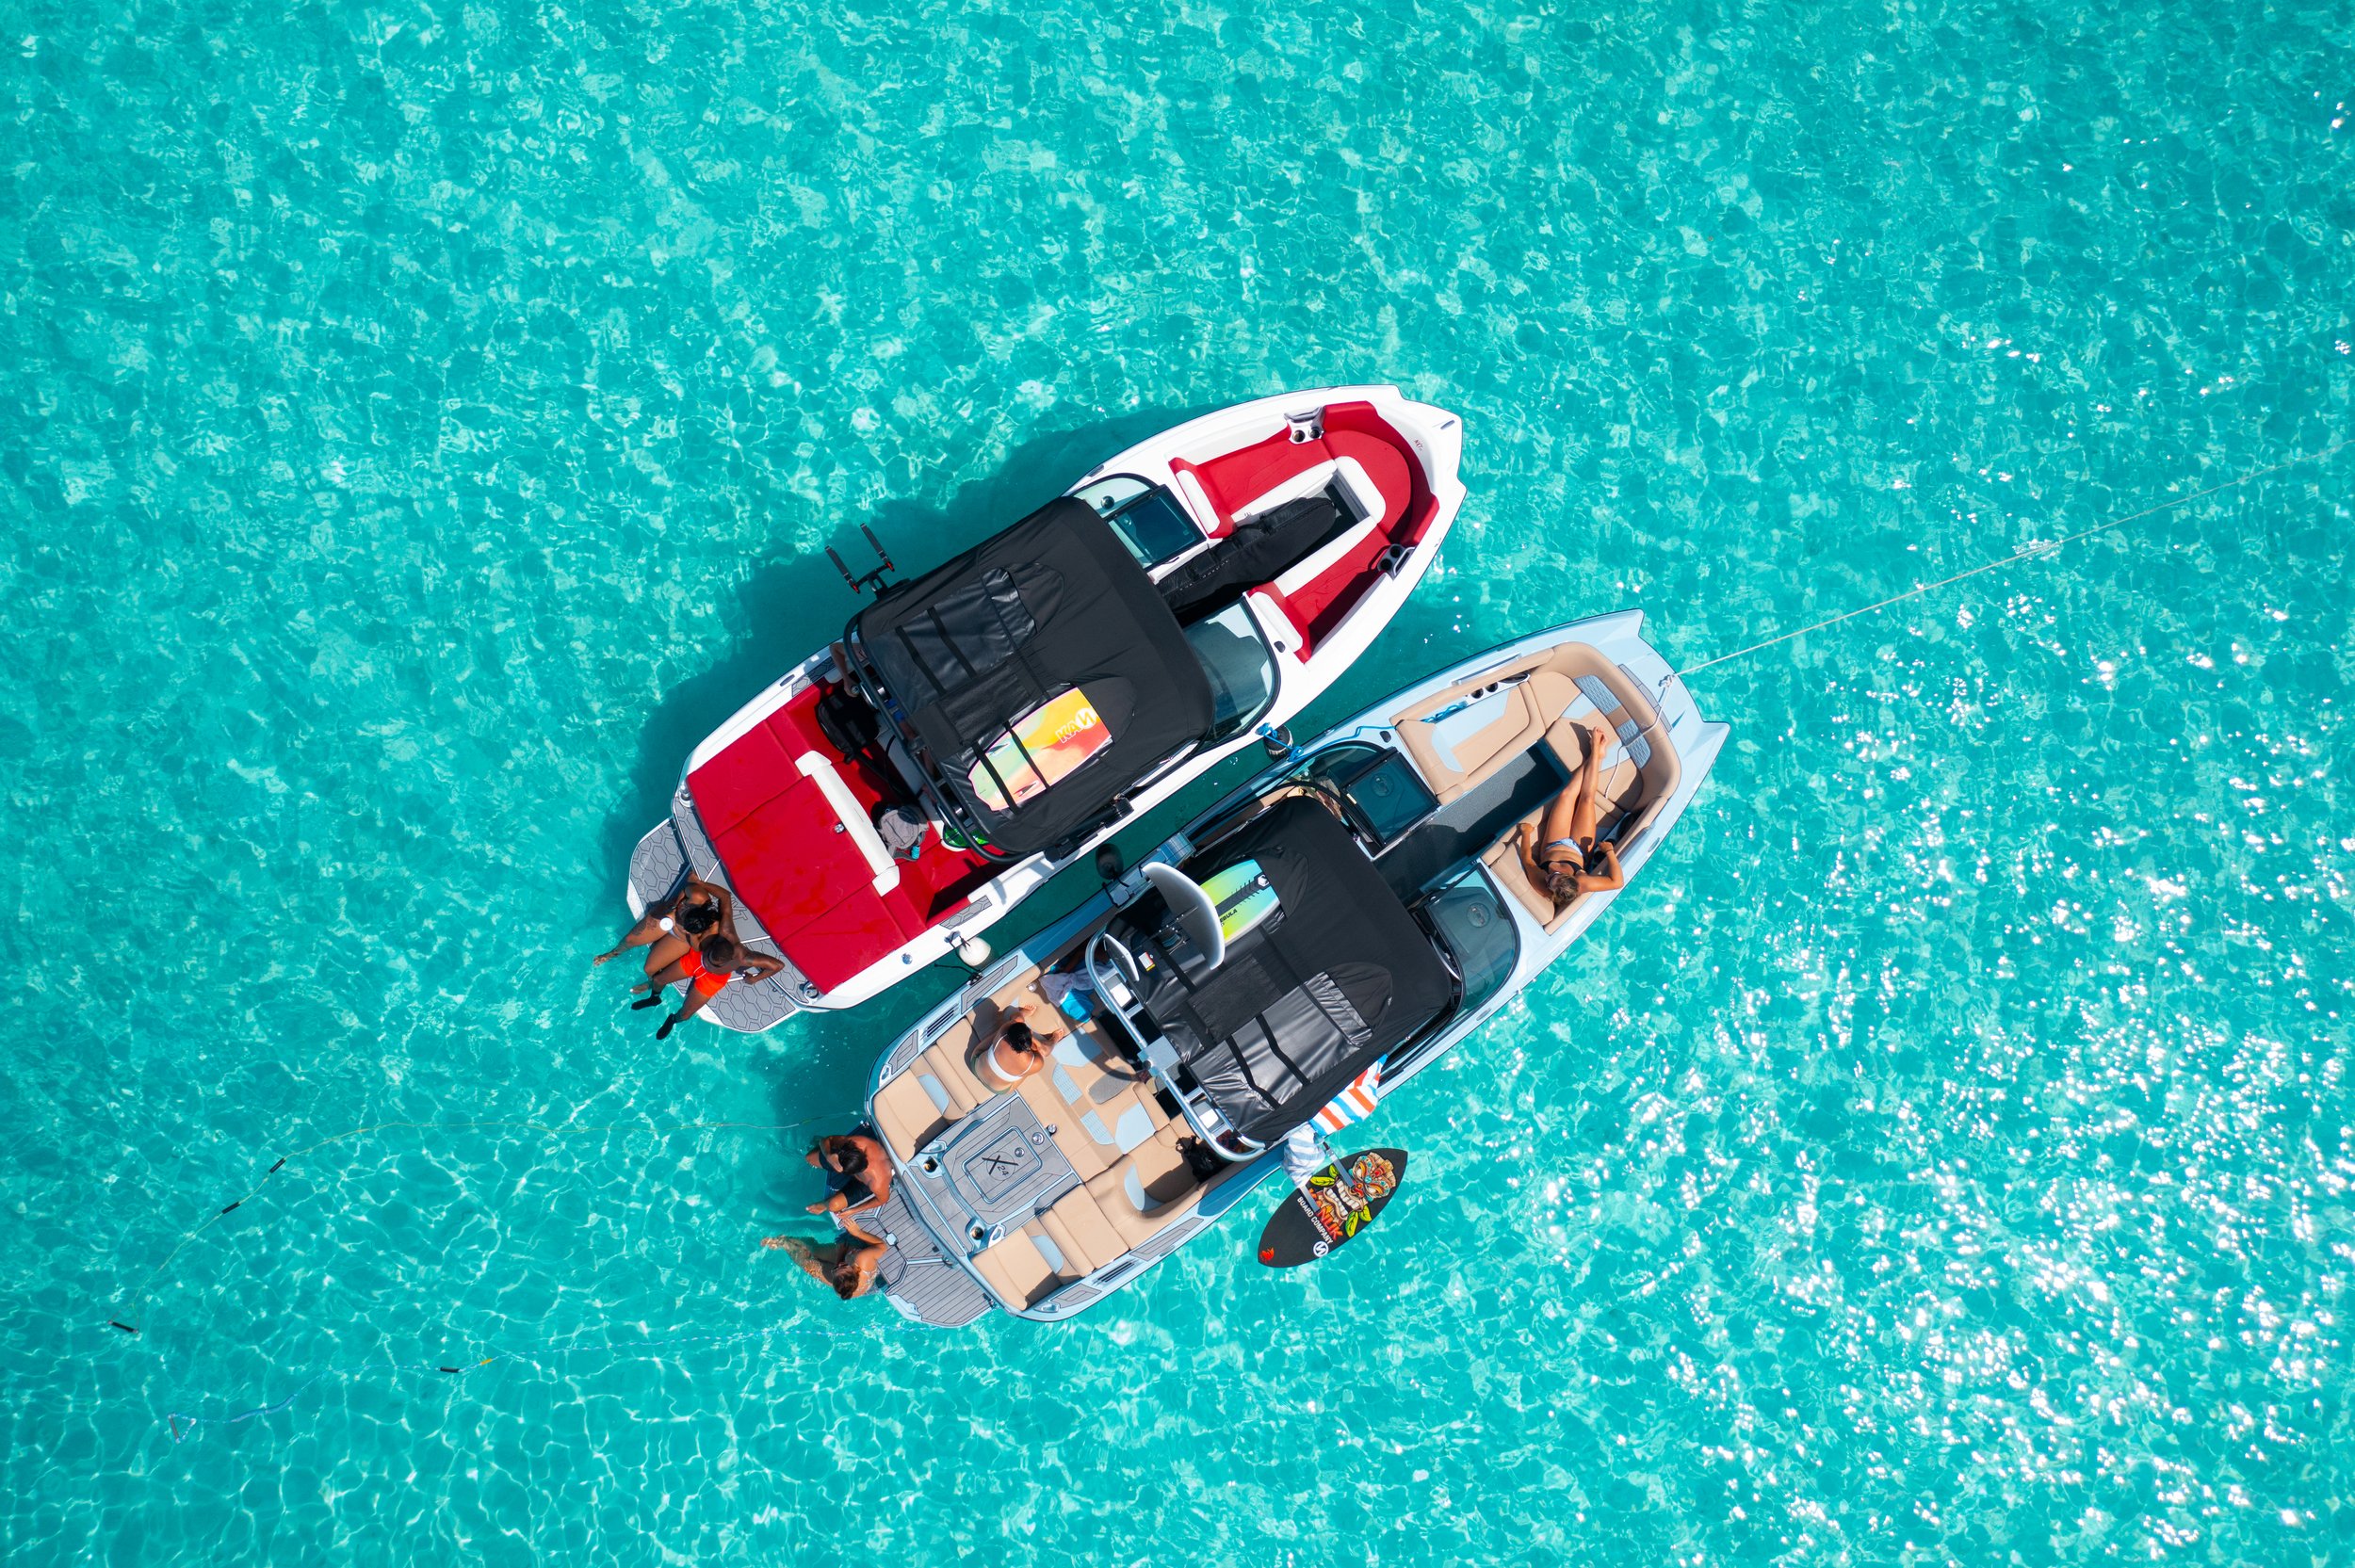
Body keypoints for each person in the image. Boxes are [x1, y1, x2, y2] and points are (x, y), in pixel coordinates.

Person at [1517, 722, 1629, 910]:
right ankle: (1596, 754)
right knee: (1586, 799)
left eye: (1551, 878)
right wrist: (1609, 851)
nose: (1550, 874)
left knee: (1567, 795)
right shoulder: (1583, 883)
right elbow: (1616, 882)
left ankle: (1596, 756)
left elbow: (1528, 861)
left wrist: (1526, 833)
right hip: (1579, 850)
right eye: (1555, 876)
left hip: (1554, 843)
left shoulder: (1542, 885)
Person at [630, 932, 784, 1038]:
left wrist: (755, 979)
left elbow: (777, 965)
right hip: (696, 960)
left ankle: (671, 1019)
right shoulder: (725, 932)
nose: (709, 964)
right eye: (710, 959)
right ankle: (654, 998)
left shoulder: (744, 958)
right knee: (658, 980)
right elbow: (725, 898)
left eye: (714, 963)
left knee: (685, 1014)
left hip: (712, 980)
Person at [594, 874, 738, 978]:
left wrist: (691, 935)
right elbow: (686, 889)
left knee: (649, 969)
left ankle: (652, 985)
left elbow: (697, 947)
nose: (683, 910)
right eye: (684, 909)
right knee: (631, 939)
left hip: (681, 938)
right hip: (668, 915)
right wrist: (676, 905)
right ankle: (611, 954)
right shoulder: (698, 896)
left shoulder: (712, 928)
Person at [762, 1214, 886, 1301]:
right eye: (841, 1265)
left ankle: (784, 1243)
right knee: (815, 1251)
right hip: (865, 1287)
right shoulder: (861, 1261)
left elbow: (881, 1245)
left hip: (860, 1289)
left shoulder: (842, 1286)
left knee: (808, 1264)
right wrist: (857, 1233)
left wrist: (842, 1254)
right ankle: (786, 1240)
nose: (837, 1265)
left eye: (835, 1269)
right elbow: (882, 1246)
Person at [804, 1129, 892, 1219]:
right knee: (809, 1158)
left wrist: (853, 1210)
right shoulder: (857, 1143)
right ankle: (819, 1146)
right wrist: (828, 1155)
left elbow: (882, 1200)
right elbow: (828, 1139)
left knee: (833, 1206)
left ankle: (823, 1205)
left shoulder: (878, 1182)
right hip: (840, 1159)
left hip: (863, 1184)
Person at [976, 1009, 1061, 1089]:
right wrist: (1032, 1039)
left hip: (976, 1067)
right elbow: (1044, 1051)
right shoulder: (1033, 1063)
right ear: (1031, 1034)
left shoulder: (1003, 1033)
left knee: (1001, 1032)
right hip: (998, 1089)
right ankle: (1055, 1039)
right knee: (1036, 1060)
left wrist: (1025, 1037)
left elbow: (1015, 1020)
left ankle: (1023, 1013)